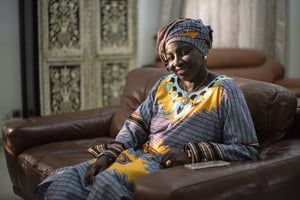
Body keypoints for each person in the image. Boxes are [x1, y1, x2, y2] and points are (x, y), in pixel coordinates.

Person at [35, 18, 260, 200]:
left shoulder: (225, 89)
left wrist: (191, 153)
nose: (176, 63)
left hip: (167, 166)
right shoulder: (165, 84)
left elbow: (246, 149)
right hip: (139, 155)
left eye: (183, 52)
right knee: (70, 178)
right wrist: (110, 153)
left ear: (202, 49)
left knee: (108, 182)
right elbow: (136, 125)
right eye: (169, 57)